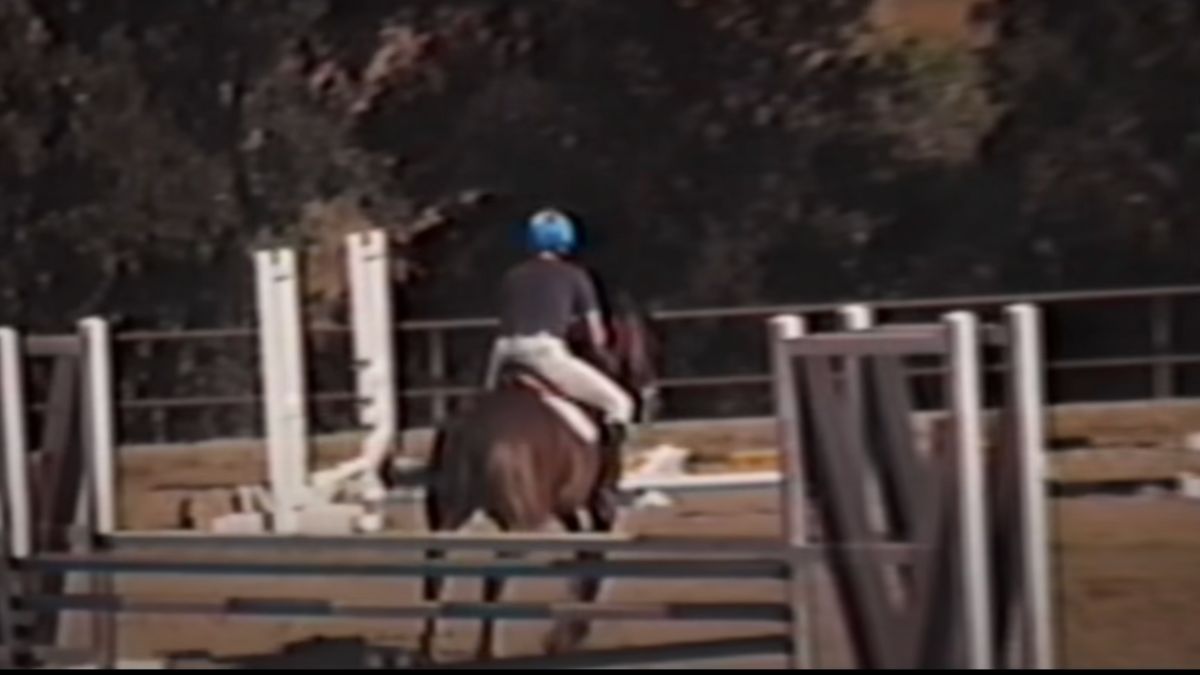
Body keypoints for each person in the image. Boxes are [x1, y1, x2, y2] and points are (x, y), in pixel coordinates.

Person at [484, 208, 634, 447]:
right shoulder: (575, 276)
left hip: (503, 353)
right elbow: (597, 337)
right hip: (544, 352)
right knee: (619, 404)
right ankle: (608, 475)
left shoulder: (512, 276)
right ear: (567, 241)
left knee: (487, 407)